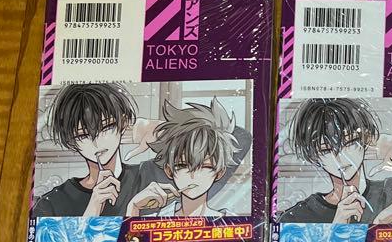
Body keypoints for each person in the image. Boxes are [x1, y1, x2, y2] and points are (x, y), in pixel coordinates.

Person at [31, 82, 164, 218]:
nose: (97, 142)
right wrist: (93, 209)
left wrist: (161, 130)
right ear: (71, 142)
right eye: (83, 135)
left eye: (106, 127)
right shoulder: (53, 203)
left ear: (123, 123)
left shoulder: (149, 175)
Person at [278, 98, 392, 223]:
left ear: (366, 139)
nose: (341, 157)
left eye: (350, 142)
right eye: (326, 150)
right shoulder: (297, 217)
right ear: (314, 156)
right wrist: (337, 227)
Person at [126, 97, 251, 218]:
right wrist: (133, 208)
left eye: (205, 166)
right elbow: (126, 233)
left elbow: (243, 137)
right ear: (169, 170)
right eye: (182, 166)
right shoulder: (155, 219)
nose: (193, 175)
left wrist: (165, 131)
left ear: (219, 172)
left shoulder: (231, 221)